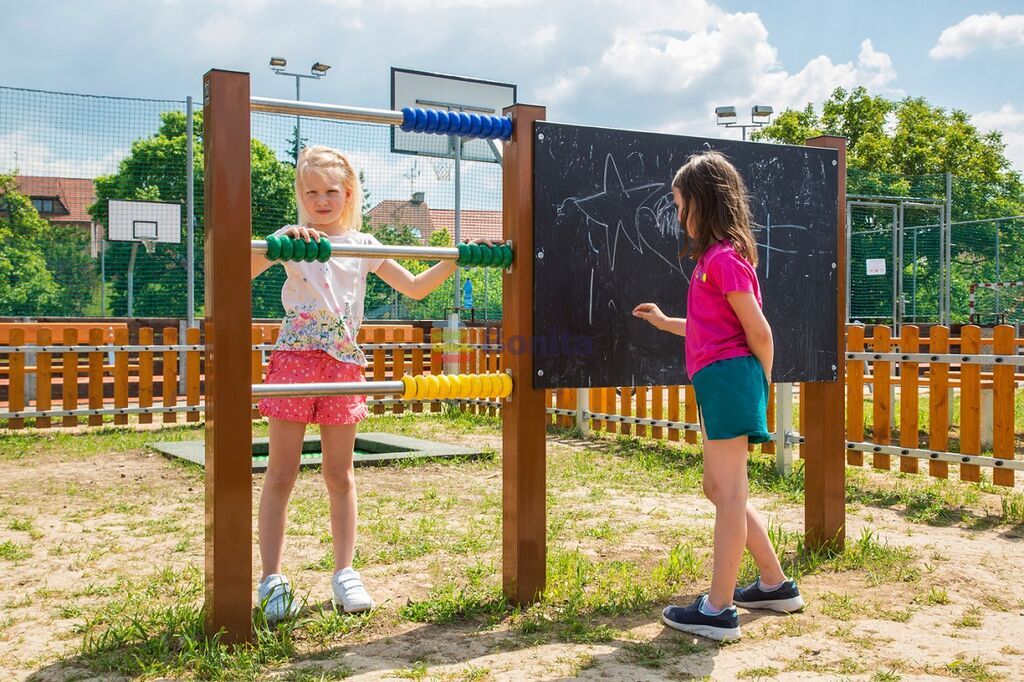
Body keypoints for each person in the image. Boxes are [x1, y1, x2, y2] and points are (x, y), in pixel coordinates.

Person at [250, 145, 459, 623]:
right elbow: (240, 270)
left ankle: (345, 572)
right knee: (281, 472)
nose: (321, 200)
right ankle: (271, 578)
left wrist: (456, 258)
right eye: (311, 192)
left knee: (339, 474)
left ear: (348, 194)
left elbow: (416, 287)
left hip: (343, 365)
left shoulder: (362, 244)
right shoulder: (292, 239)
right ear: (301, 195)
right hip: (296, 361)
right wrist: (277, 242)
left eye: (331, 191)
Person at [633, 151, 805, 642]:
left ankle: (718, 609)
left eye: (680, 205)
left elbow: (760, 332)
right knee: (718, 488)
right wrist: (666, 323)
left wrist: (758, 383)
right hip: (721, 379)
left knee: (729, 493)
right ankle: (774, 584)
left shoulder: (725, 259)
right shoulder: (714, 262)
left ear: (702, 203)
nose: (677, 216)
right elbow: (712, 327)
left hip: (731, 379)